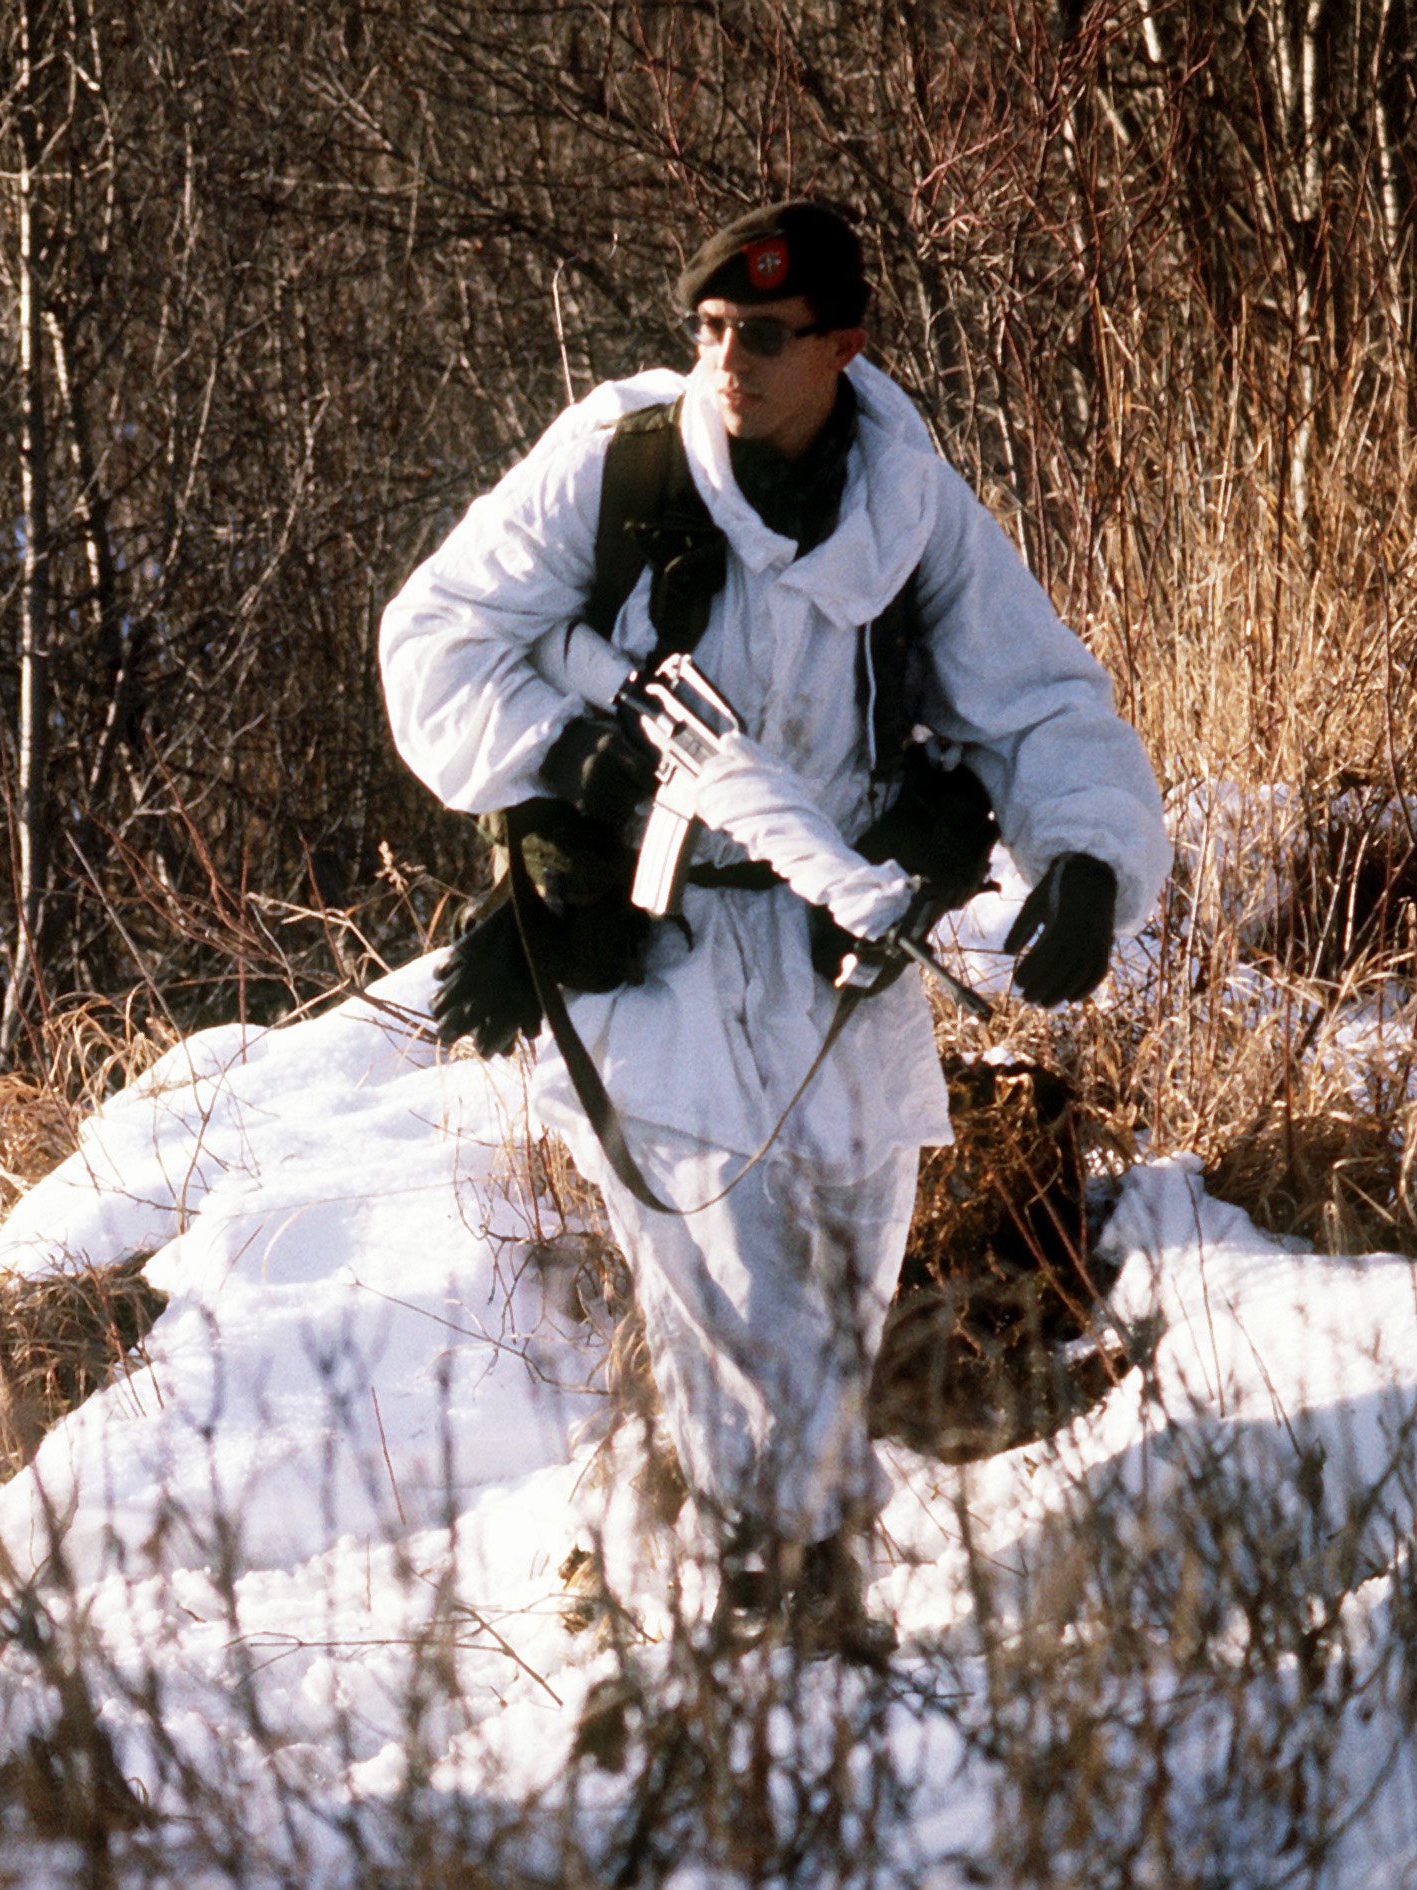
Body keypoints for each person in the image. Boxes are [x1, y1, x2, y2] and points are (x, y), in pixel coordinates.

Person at [378, 201, 1170, 1659]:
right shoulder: (614, 467)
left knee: (831, 1298)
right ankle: (784, 1640)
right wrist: (565, 753)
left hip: (840, 968)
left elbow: (1042, 703)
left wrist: (1087, 864)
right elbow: (429, 640)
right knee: (751, 1314)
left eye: (765, 333)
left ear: (842, 345)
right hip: (661, 964)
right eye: (711, 330)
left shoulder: (909, 508)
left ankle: (646, 1549)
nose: (728, 358)